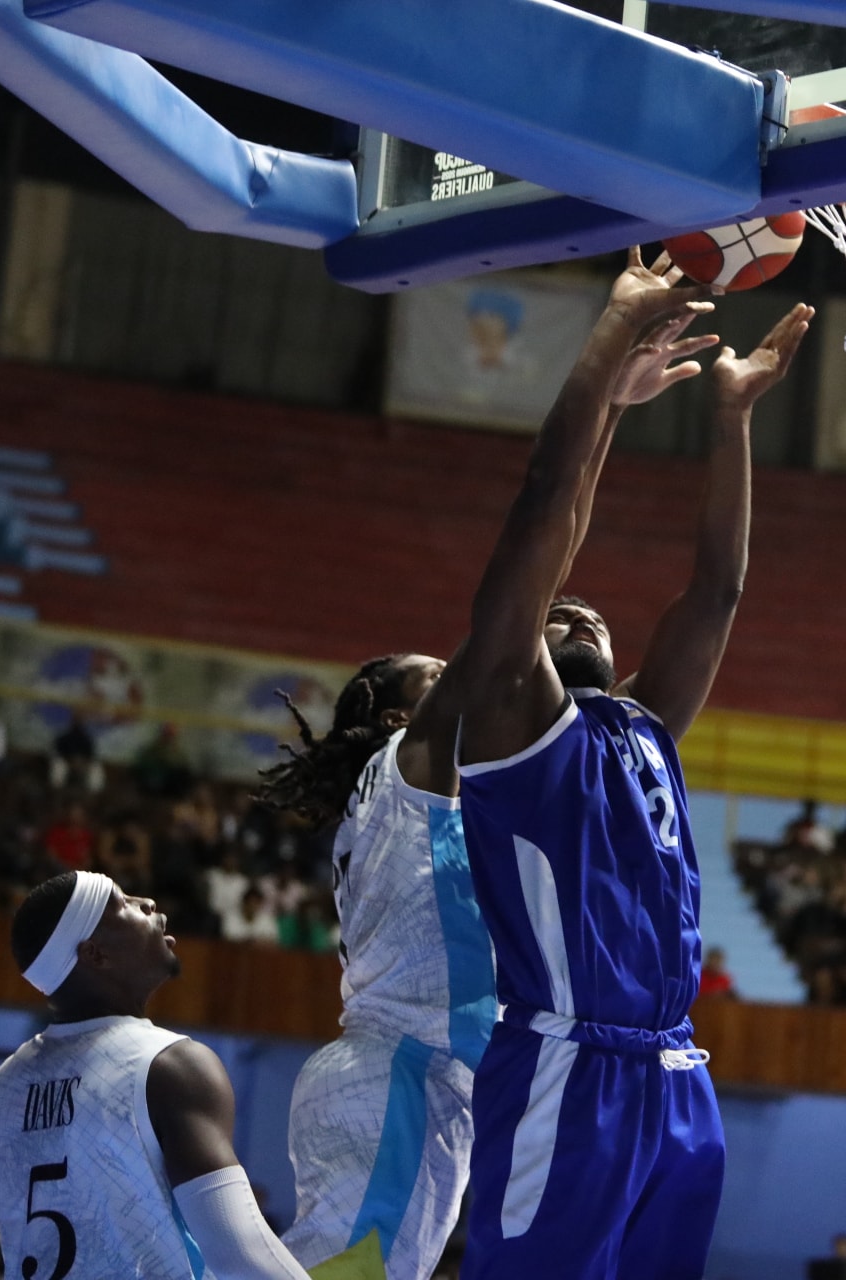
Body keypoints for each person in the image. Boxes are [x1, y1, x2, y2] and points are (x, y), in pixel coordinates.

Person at [249, 252, 723, 1280]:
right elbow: (538, 544)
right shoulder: (417, 752)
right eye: (442, 664)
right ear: (395, 709)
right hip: (396, 1070)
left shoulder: (441, 772)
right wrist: (600, 374)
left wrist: (612, 408)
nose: (479, 661)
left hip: (437, 1074)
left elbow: (550, 555)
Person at [452, 248, 810, 1280]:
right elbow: (543, 503)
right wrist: (606, 346)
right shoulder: (515, 724)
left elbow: (718, 589)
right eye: (557, 607)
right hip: (566, 1063)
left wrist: (733, 418)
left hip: (676, 1071)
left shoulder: (642, 724)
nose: (579, 605)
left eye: (591, 612)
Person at [0, 871, 310, 1280]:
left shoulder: (4, 1085)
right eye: (123, 904)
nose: (148, 904)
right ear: (95, 954)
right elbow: (238, 1252)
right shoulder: (170, 1066)